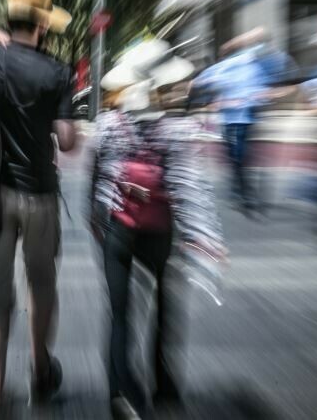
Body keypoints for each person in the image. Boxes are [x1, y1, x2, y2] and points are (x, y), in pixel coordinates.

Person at [93, 44, 226, 419]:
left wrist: (96, 215)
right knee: (166, 309)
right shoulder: (178, 129)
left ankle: (120, 392)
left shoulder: (109, 124)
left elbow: (98, 175)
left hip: (118, 229)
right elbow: (187, 185)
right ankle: (164, 385)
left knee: (120, 313)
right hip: (160, 232)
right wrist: (202, 236)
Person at [0, 0, 76, 419]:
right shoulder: (58, 72)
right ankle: (40, 369)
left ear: (9, 20)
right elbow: (67, 140)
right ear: (43, 26)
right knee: (42, 284)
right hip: (39, 195)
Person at [191, 29, 270, 217]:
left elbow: (200, 83)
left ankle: (243, 194)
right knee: (238, 157)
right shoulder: (238, 65)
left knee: (239, 158)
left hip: (241, 119)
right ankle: (243, 194)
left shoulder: (244, 66)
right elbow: (202, 82)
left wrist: (223, 99)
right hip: (236, 119)